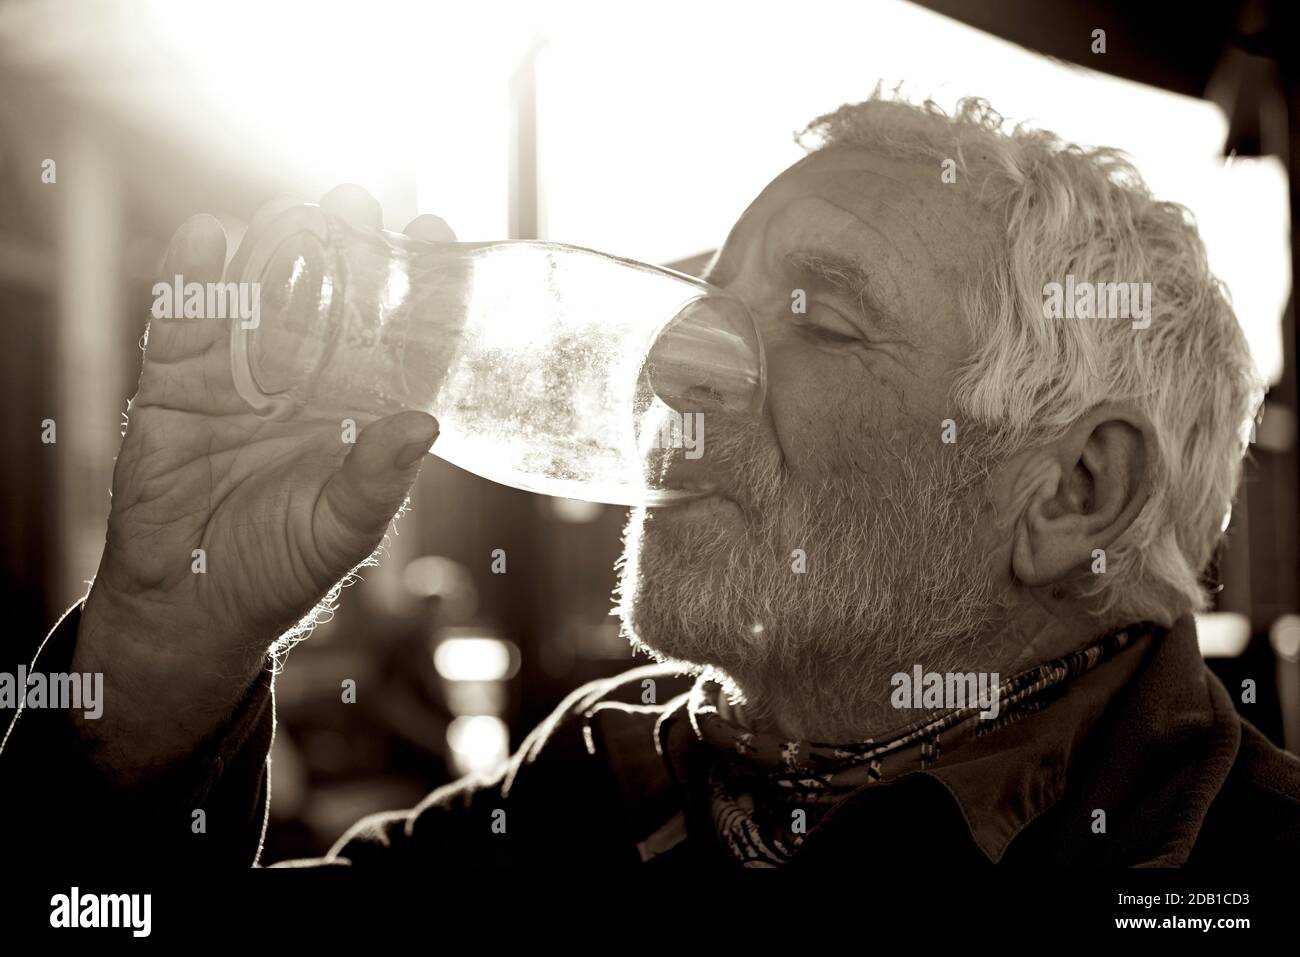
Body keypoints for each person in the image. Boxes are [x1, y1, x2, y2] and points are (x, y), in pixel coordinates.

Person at [4, 92, 1298, 869]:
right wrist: (167, 655)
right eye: (698, 299)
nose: (670, 373)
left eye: (823, 321)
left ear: (1075, 489)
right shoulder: (597, 796)